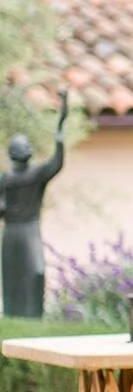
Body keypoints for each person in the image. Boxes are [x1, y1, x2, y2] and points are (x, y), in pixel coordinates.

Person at [0, 90, 69, 319]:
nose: (27, 150)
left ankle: (33, 314)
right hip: (11, 230)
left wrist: (60, 135)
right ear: (14, 153)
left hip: (29, 227)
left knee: (35, 270)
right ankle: (13, 313)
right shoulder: (5, 180)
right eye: (22, 147)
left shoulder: (36, 175)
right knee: (11, 273)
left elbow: (55, 163)